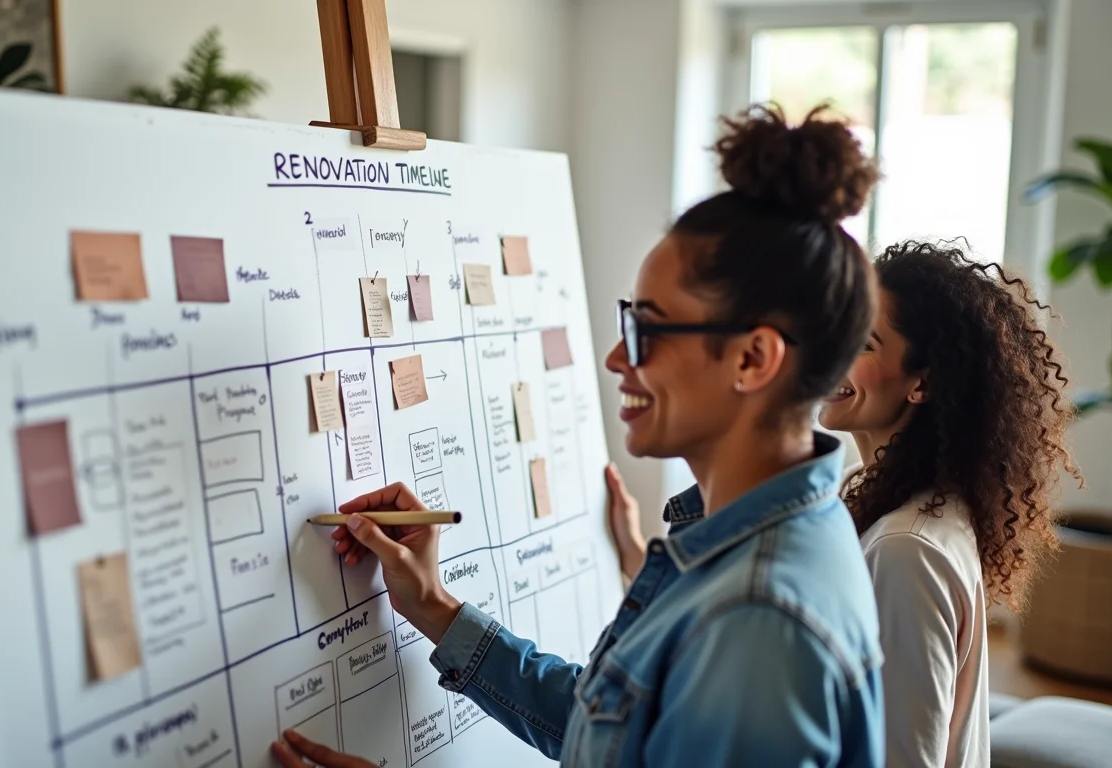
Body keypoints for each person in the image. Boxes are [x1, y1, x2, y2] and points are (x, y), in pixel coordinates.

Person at [270, 103, 885, 767]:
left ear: (753, 359)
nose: (617, 359)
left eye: (646, 329)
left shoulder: (759, 620)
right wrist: (433, 605)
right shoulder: (739, 541)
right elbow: (615, 734)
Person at [606, 239, 1080, 767]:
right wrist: (636, 557)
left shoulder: (906, 552)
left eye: (864, 343)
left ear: (922, 380)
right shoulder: (871, 485)